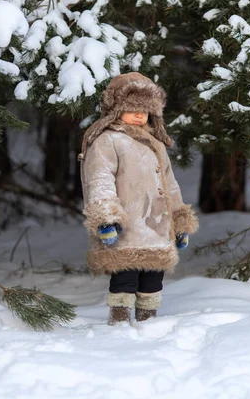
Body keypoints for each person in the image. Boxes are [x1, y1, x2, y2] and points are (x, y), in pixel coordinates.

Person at [79, 72, 199, 325]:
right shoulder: (107, 141)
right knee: (125, 277)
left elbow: (171, 186)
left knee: (152, 279)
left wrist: (179, 222)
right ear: (115, 109)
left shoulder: (155, 143)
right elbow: (99, 180)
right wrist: (106, 219)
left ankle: (148, 323)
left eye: (145, 110)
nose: (139, 115)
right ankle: (120, 323)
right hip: (127, 226)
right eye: (132, 108)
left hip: (157, 225)